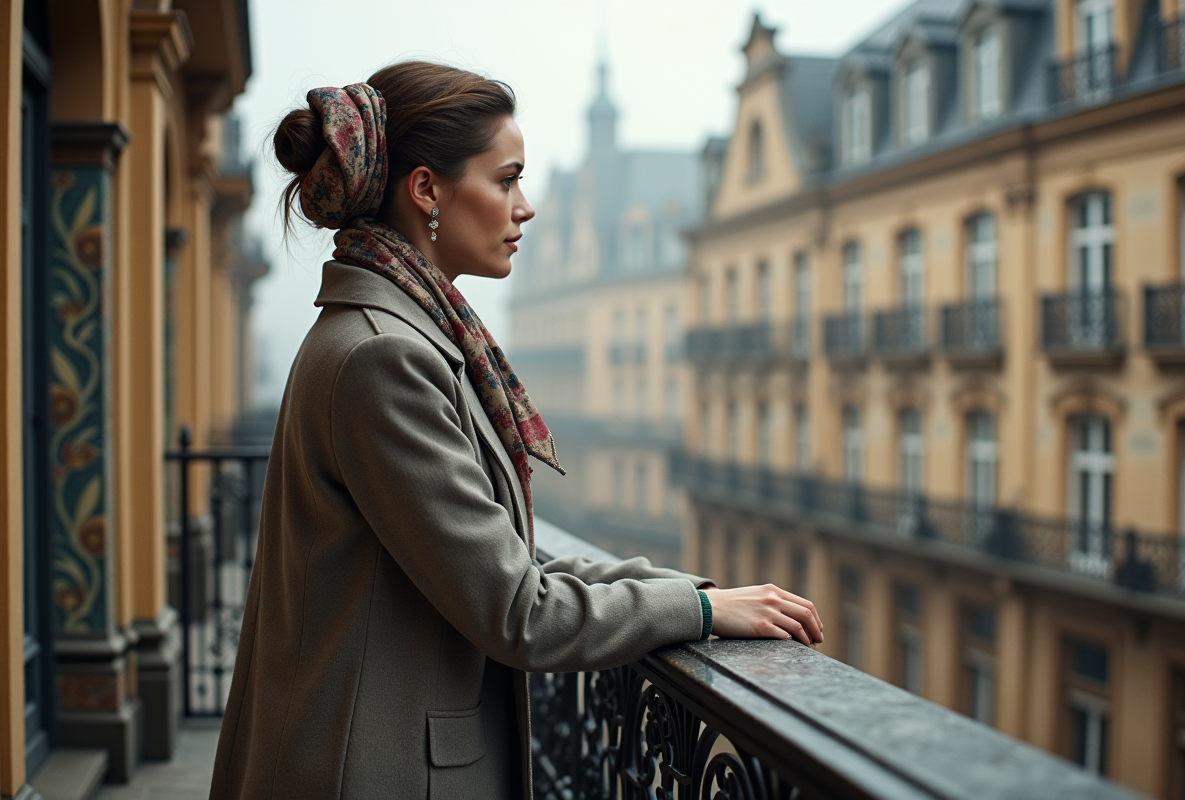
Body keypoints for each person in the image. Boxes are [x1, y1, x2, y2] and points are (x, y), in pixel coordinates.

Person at [208, 61, 823, 800]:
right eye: (506, 180)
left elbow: (504, 564)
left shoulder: (406, 336)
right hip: (369, 770)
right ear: (428, 190)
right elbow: (518, 611)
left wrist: (692, 592)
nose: (525, 207)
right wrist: (696, 609)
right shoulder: (387, 358)